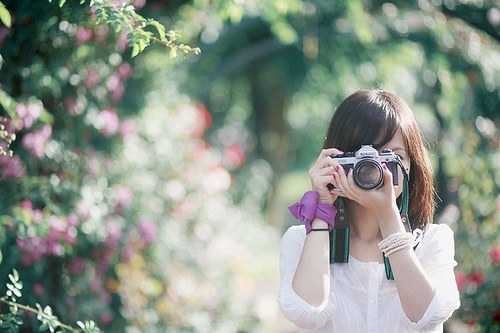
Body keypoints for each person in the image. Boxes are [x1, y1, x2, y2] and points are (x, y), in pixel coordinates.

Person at [278, 89, 460, 332]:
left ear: (410, 166)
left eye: (392, 156)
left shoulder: (432, 241)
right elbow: (306, 313)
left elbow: (426, 317)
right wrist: (321, 209)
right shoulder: (301, 241)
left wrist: (388, 216)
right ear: (337, 160)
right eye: (363, 156)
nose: (375, 168)